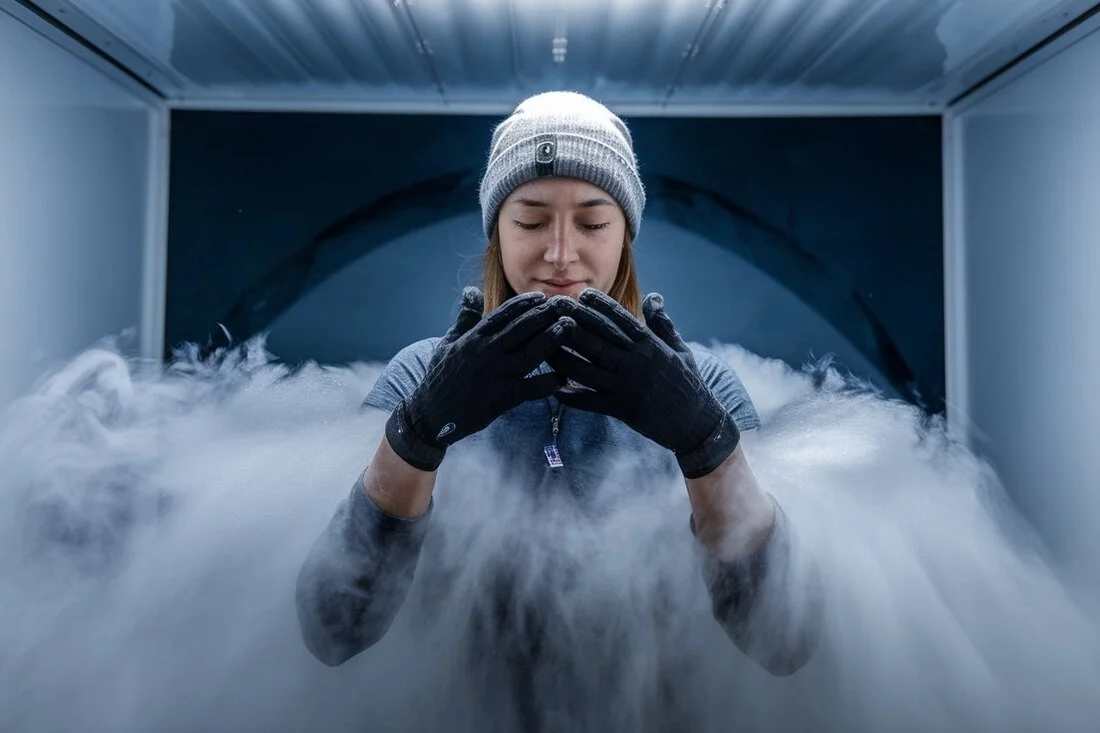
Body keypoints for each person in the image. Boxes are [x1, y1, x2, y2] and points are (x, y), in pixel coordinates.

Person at [295, 90, 822, 729]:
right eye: (531, 219)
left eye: (594, 223)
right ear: (496, 230)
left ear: (626, 233)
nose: (561, 254)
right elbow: (333, 627)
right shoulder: (418, 376)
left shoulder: (704, 385)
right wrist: (417, 435)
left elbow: (785, 642)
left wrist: (705, 444)